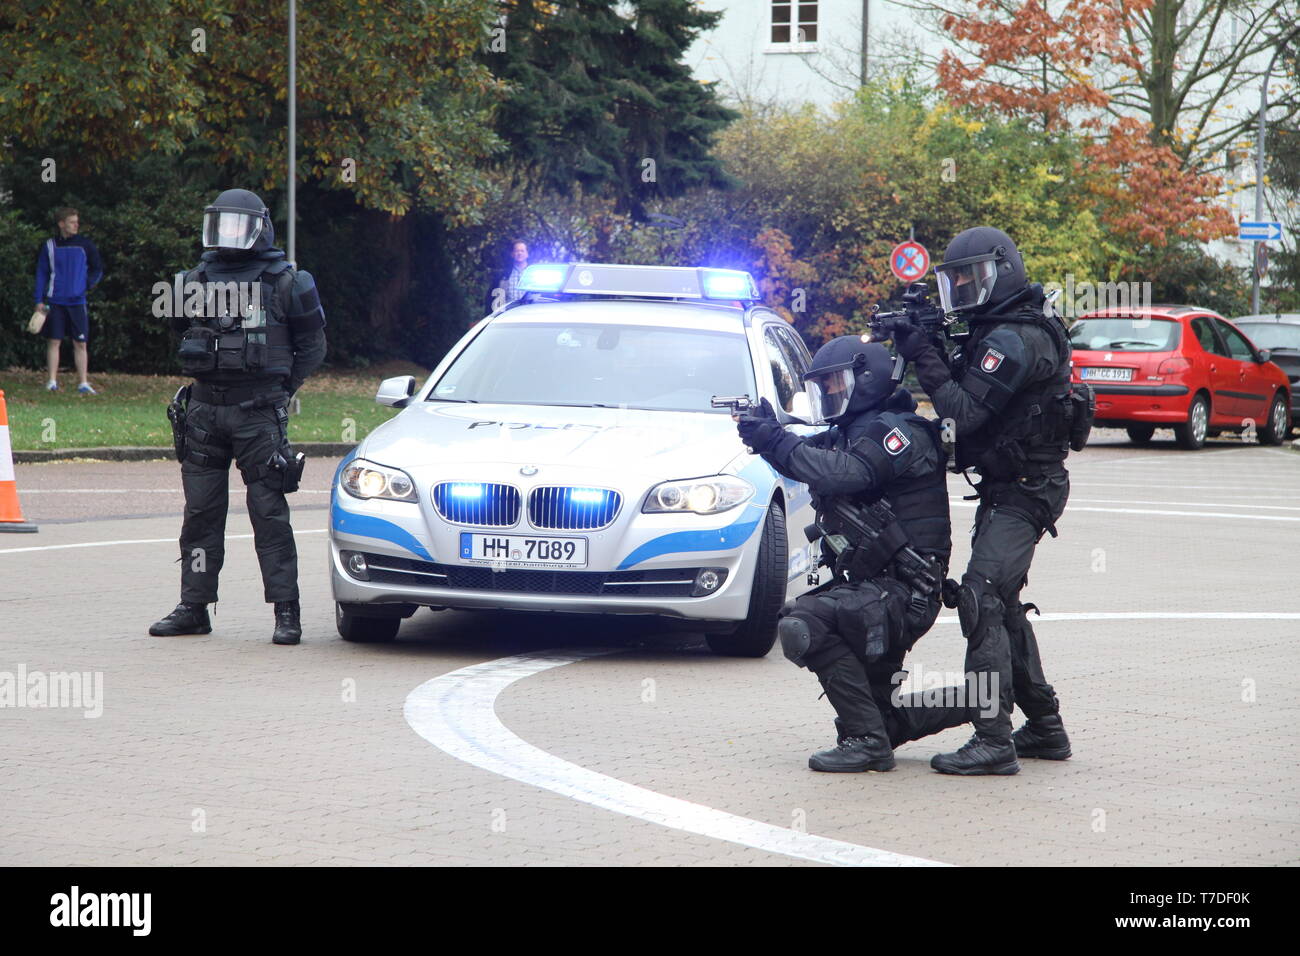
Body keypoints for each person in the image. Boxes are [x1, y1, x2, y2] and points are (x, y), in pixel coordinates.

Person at [893, 226, 1075, 775]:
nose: (966, 289)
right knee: (1002, 603)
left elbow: (963, 413)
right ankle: (1044, 726)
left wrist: (923, 352)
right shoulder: (1001, 327)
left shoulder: (1013, 339)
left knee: (980, 597)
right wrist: (928, 341)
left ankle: (993, 738)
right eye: (957, 281)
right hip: (1013, 486)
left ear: (1003, 270)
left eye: (973, 277)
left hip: (1027, 489)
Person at [737, 338, 962, 772]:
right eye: (822, 387)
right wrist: (767, 434)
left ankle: (866, 742)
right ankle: (987, 702)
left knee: (803, 623)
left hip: (904, 591)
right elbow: (806, 458)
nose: (830, 396)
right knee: (886, 717)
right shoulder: (852, 430)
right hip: (875, 586)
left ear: (866, 380)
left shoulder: (900, 431)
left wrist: (776, 441)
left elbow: (844, 474)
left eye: (835, 385)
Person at [149, 189, 326, 645]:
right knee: (201, 514)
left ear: (259, 227)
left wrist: (281, 392)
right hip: (205, 409)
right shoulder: (194, 279)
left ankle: (287, 613)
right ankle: (194, 607)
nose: (227, 234)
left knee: (268, 514)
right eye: (220, 224)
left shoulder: (288, 280)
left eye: (236, 225)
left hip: (257, 413)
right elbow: (178, 330)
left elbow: (313, 346)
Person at [33, 207, 103, 394]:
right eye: (72, 222)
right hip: (55, 301)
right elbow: (42, 273)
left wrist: (85, 285)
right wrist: (38, 299)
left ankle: (83, 382)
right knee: (54, 341)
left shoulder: (85, 245)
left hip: (77, 302)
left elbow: (97, 269)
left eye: (76, 222)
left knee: (80, 343)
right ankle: (52, 381)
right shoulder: (49, 246)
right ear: (61, 224)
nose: (76, 225)